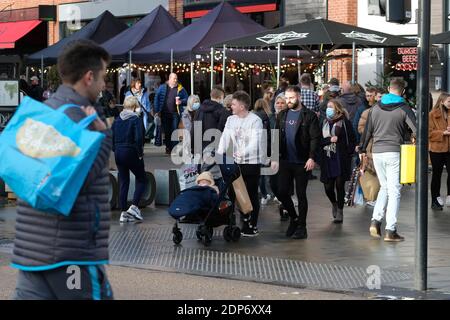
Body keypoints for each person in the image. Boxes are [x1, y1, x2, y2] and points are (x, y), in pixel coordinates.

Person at [12, 40, 114, 300]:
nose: (104, 85)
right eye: (102, 77)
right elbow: (78, 178)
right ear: (89, 77)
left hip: (31, 253)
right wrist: (105, 138)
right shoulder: (83, 120)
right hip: (71, 254)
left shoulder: (45, 112)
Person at [360, 78, 417, 242]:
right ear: (403, 91)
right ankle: (390, 230)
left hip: (377, 152)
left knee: (385, 187)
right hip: (394, 152)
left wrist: (363, 149)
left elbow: (367, 131)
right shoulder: (404, 108)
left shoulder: (376, 108)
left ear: (388, 89)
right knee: (395, 191)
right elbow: (416, 129)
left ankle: (375, 220)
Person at [272, 85, 321, 239]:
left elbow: (315, 138)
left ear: (299, 97)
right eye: (286, 98)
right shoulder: (282, 115)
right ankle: (294, 218)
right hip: (285, 160)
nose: (288, 101)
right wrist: (274, 157)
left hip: (302, 161)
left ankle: (302, 227)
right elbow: (275, 136)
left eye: (291, 98)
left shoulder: (309, 115)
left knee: (301, 195)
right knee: (281, 192)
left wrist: (312, 157)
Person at [217, 91, 266, 237]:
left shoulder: (255, 120)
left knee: (250, 193)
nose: (231, 106)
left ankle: (251, 224)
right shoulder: (231, 119)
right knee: (233, 192)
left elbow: (255, 141)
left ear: (242, 106)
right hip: (235, 161)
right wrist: (220, 152)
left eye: (233, 104)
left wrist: (243, 153)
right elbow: (225, 136)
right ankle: (235, 221)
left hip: (251, 162)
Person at [319, 99, 356, 223]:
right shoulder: (323, 122)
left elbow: (352, 139)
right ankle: (334, 203)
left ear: (337, 109)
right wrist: (330, 140)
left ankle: (340, 210)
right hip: (327, 158)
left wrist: (348, 152)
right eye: (328, 107)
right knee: (328, 187)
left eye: (331, 107)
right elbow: (318, 140)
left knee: (340, 185)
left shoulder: (345, 122)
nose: (328, 109)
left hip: (340, 159)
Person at [112, 95, 147, 223]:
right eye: (137, 106)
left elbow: (111, 136)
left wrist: (115, 149)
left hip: (118, 153)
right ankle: (134, 207)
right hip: (131, 151)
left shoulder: (117, 120)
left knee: (124, 181)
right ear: (133, 107)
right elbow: (139, 138)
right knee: (142, 178)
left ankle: (123, 212)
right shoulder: (135, 119)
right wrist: (139, 153)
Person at [154, 73, 188, 154]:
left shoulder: (180, 88)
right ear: (169, 79)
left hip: (175, 113)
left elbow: (187, 99)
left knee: (174, 131)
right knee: (167, 131)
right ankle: (168, 147)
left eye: (176, 78)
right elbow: (157, 98)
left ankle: (174, 149)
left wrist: (181, 101)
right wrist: (157, 110)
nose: (175, 80)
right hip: (164, 113)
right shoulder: (162, 87)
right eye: (174, 78)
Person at [428, 92, 450, 210]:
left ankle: (449, 195)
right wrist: (443, 133)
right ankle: (435, 199)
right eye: (449, 101)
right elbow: (429, 133)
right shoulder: (432, 115)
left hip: (449, 149)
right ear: (441, 102)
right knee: (437, 174)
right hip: (437, 149)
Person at [252, 99, 273, 205]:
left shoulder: (252, 116)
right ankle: (266, 194)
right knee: (264, 173)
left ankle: (262, 194)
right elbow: (266, 135)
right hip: (263, 148)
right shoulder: (266, 117)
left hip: (254, 149)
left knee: (258, 173)